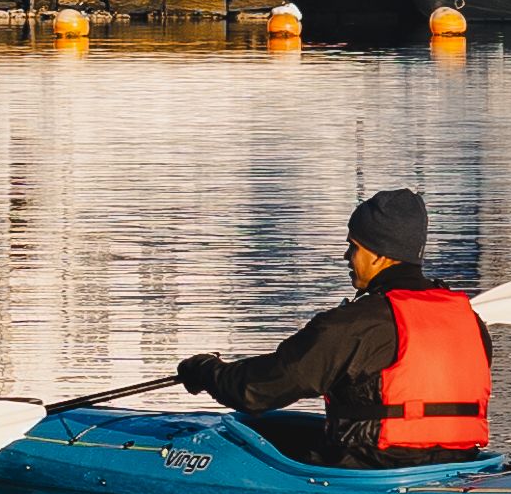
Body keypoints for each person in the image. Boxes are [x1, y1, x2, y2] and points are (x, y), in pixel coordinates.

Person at [177, 187, 490, 467]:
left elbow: (255, 391)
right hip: (459, 460)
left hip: (372, 467)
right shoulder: (469, 320)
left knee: (245, 432)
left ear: (380, 254)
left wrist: (207, 372)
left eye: (353, 247)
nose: (346, 256)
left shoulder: (356, 324)